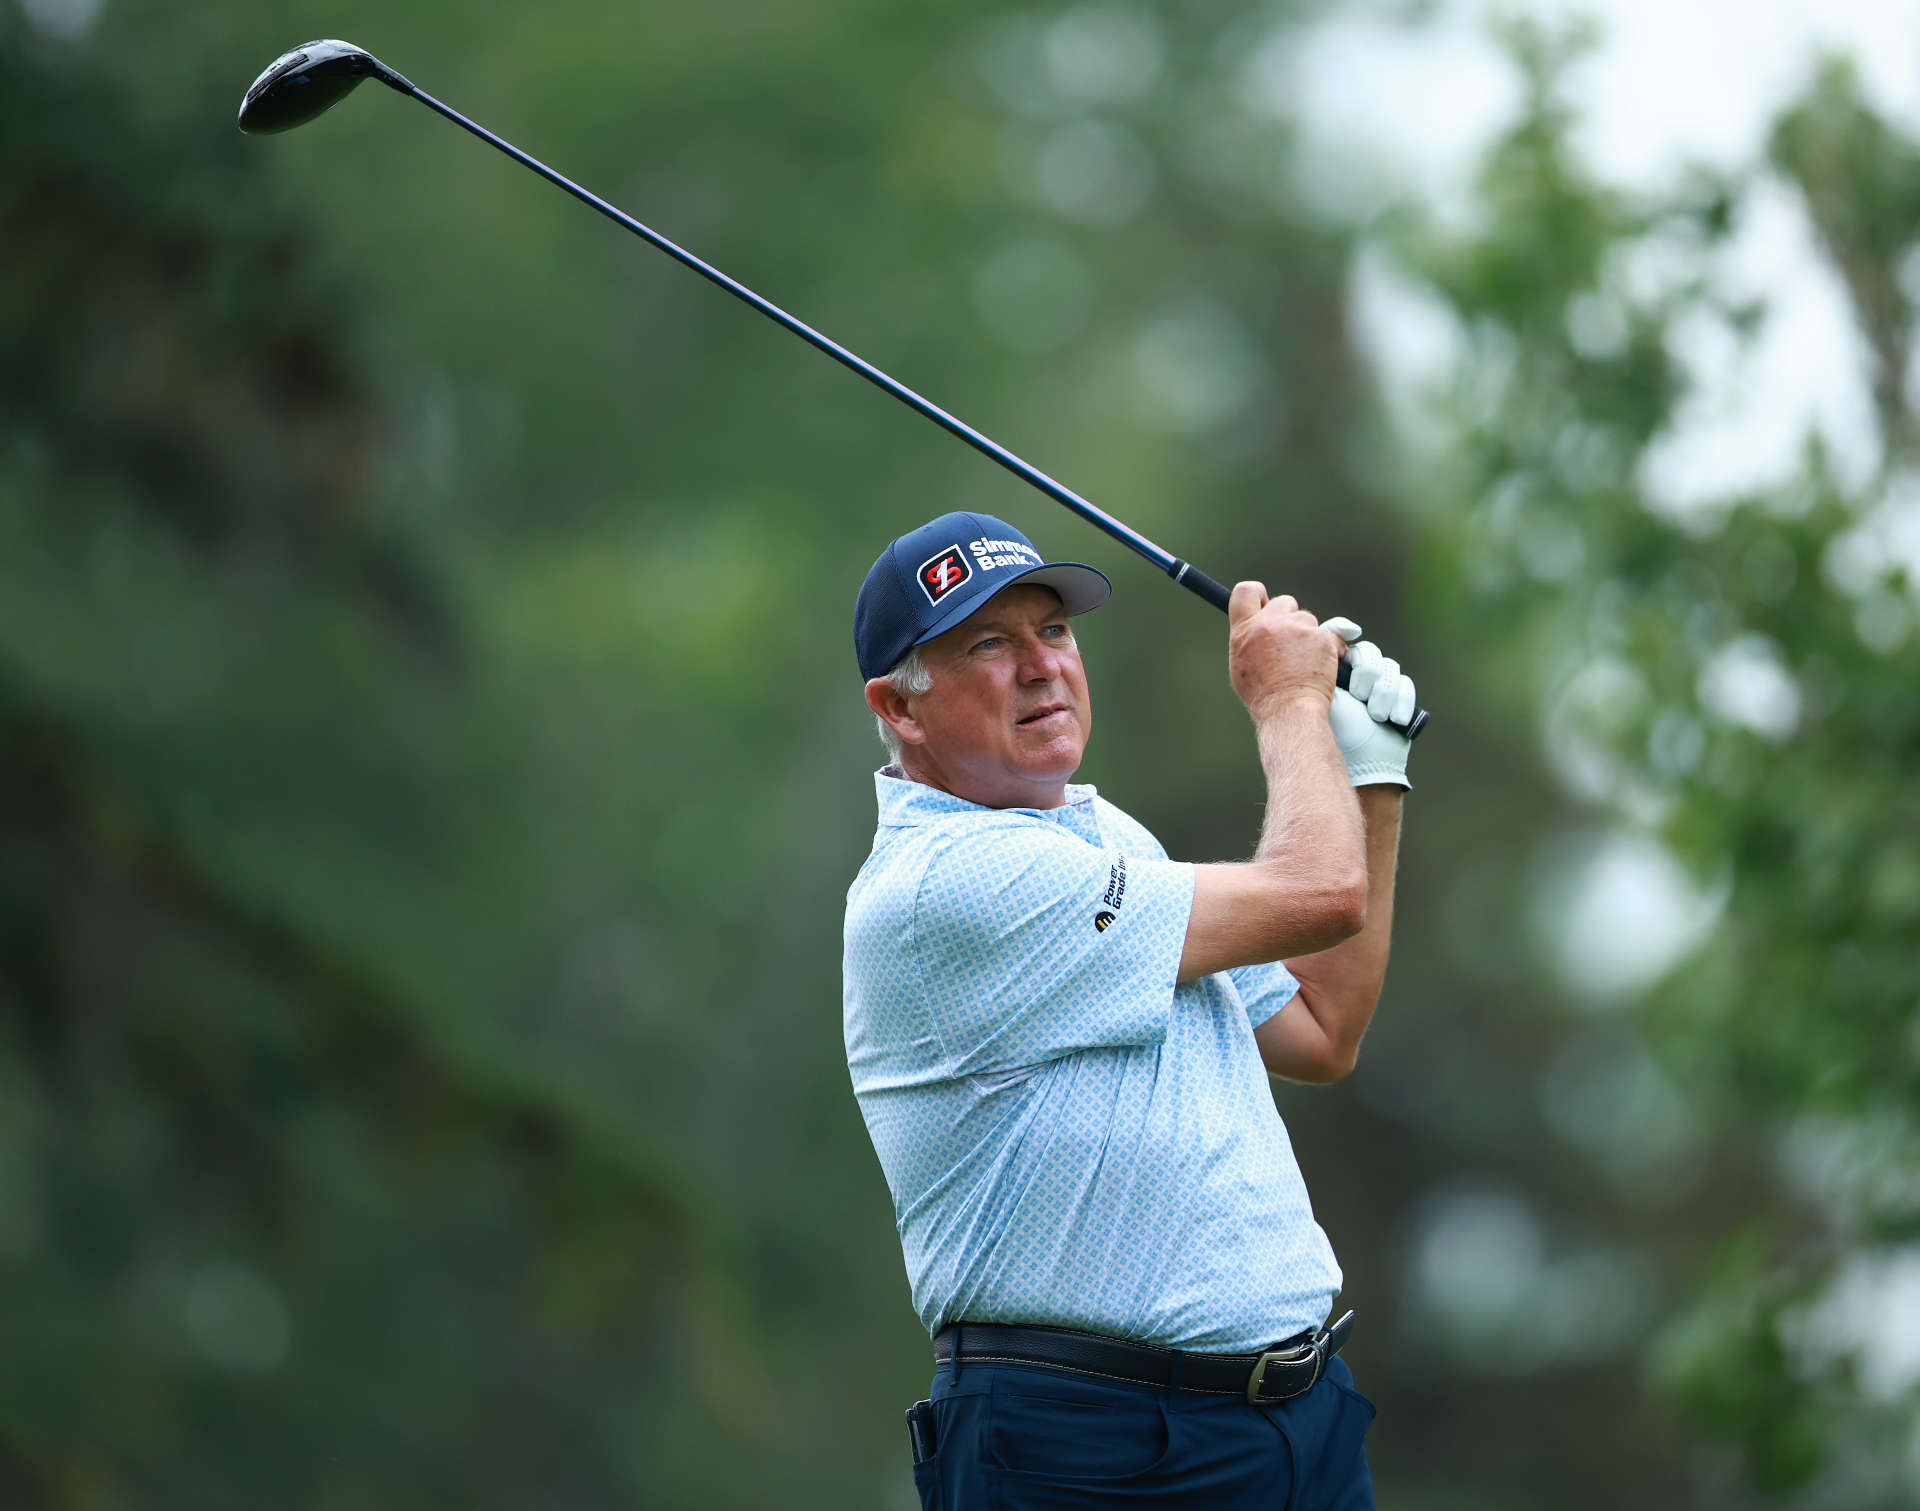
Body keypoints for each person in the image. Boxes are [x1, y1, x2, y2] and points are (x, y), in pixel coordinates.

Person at [843, 511, 1417, 1510]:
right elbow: (1322, 891)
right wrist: (1288, 702)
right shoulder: (946, 883)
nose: (1041, 666)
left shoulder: (1104, 837)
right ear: (901, 706)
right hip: (1091, 1448)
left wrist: (1371, 774)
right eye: (988, 643)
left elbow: (1324, 1027)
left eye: (1054, 631)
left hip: (1295, 1426)